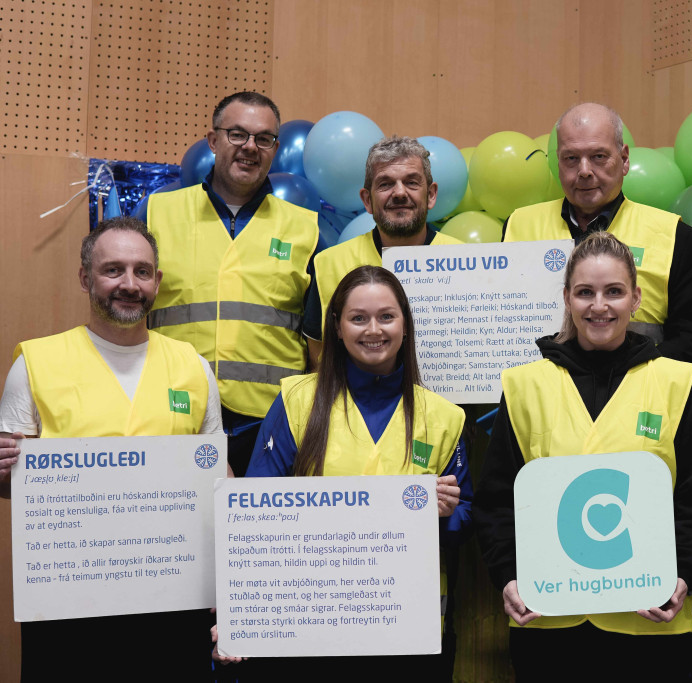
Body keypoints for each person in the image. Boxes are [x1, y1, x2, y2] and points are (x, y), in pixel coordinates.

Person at [475, 231, 692, 680]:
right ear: (567, 298)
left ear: (636, 298)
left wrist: (684, 574)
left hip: (649, 618)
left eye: (614, 291)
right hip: (550, 618)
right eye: (585, 292)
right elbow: (496, 499)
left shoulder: (677, 381)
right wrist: (508, 575)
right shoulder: (524, 385)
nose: (599, 306)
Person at [0, 216, 224, 681]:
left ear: (157, 281)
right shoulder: (35, 364)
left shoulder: (193, 367)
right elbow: (13, 486)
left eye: (142, 271)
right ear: (86, 278)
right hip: (68, 605)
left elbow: (217, 484)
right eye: (113, 270)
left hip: (172, 603)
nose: (129, 284)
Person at [220, 265, 470, 679]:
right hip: (312, 622)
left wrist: (445, 514)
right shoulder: (297, 401)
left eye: (386, 316)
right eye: (358, 318)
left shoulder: (443, 417)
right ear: (336, 327)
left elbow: (466, 517)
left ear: (405, 325)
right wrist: (242, 613)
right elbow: (255, 516)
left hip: (406, 626)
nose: (374, 329)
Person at [146, 91, 323, 476]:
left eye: (264, 138)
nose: (250, 147)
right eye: (237, 134)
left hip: (270, 425)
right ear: (213, 140)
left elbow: (319, 347)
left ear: (275, 149)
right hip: (172, 414)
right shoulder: (156, 214)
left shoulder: (306, 230)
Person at [503, 103, 692, 367]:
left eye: (598, 156)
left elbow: (691, 342)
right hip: (542, 389)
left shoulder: (676, 237)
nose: (584, 170)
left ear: (624, 159)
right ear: (558, 162)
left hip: (639, 387)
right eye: (571, 158)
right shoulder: (518, 226)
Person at [303, 136, 464, 359]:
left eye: (412, 182)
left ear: (431, 195)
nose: (399, 193)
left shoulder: (465, 261)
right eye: (385, 184)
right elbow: (318, 358)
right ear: (367, 200)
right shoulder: (328, 264)